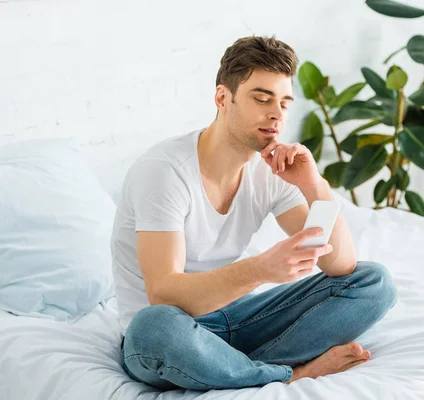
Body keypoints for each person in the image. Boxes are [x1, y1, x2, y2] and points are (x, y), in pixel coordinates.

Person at [110, 35, 398, 392]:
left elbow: (338, 265)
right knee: (155, 327)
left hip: (238, 320)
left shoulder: (271, 169)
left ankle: (229, 369)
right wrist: (261, 269)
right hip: (173, 331)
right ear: (222, 99)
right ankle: (289, 373)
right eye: (262, 99)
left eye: (284, 103)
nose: (276, 113)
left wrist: (315, 186)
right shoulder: (164, 171)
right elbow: (164, 294)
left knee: (373, 282)